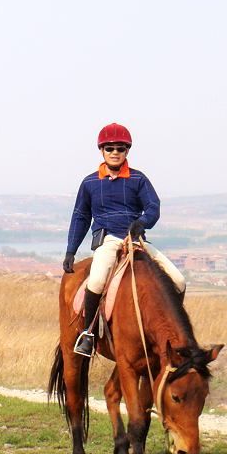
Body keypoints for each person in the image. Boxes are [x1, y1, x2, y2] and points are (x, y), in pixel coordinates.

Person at [63, 123, 186, 357]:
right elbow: (80, 216)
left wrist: (142, 222)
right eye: (110, 148)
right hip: (108, 240)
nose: (115, 152)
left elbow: (153, 206)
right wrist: (71, 250)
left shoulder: (138, 179)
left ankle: (172, 332)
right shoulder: (90, 183)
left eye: (120, 148)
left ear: (127, 151)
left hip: (135, 240)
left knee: (178, 281)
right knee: (97, 280)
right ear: (102, 151)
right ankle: (88, 334)